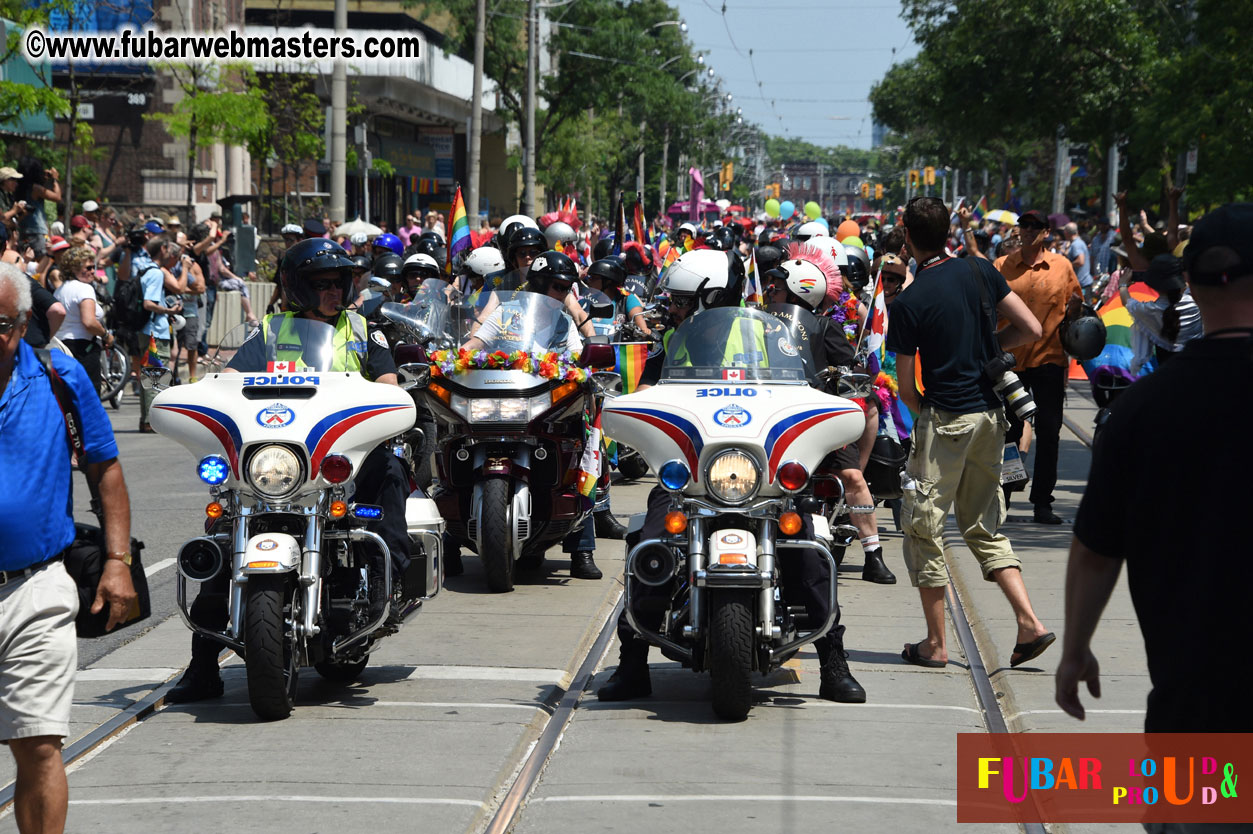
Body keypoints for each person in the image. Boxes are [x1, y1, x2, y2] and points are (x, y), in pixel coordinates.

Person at [597, 247, 866, 704]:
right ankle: (631, 662)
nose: (673, 308)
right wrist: (630, 408)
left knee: (809, 550)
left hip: (763, 478)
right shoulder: (678, 341)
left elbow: (805, 382)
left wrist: (827, 398)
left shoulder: (773, 335)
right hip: (696, 478)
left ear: (711, 296)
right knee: (651, 543)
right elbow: (648, 388)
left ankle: (833, 661)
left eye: (682, 300)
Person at [168, 238, 412, 704]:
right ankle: (202, 667)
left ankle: (389, 579)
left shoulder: (364, 331)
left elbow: (388, 385)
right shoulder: (268, 333)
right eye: (320, 285)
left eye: (337, 284)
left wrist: (386, 399)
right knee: (226, 532)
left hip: (342, 457)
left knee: (391, 465)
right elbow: (224, 384)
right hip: (279, 462)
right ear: (298, 287)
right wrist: (195, 394)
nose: (332, 294)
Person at [1056, 203, 1253, 735]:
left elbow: (1096, 553)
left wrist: (1075, 650)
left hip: (1195, 710)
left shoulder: (1138, 412)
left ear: (1191, 280)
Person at [886, 196, 1054, 669]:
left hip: (947, 420)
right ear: (947, 232)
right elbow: (1031, 327)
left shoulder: (910, 300)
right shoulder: (980, 271)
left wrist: (929, 417)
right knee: (983, 525)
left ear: (907, 233)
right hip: (990, 416)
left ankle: (935, 644)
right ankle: (1029, 622)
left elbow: (905, 388)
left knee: (923, 526)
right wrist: (987, 348)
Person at [0, 263, 137, 834]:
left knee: (39, 745)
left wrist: (118, 562)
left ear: (20, 325)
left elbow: (105, 469)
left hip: (33, 588)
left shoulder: (60, 374)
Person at [460, 250, 603, 580]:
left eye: (567, 287)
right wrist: (448, 360)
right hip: (500, 400)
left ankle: (583, 548)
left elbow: (579, 357)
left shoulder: (563, 322)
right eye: (558, 286)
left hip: (547, 403)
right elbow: (476, 344)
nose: (564, 293)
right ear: (538, 284)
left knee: (584, 450)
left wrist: (588, 365)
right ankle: (449, 543)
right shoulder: (508, 314)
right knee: (454, 436)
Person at [765, 242, 896, 583]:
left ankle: (873, 553)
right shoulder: (759, 323)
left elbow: (851, 367)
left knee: (852, 477)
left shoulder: (825, 327)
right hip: (770, 416)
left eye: (777, 287)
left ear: (797, 292)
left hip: (815, 416)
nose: (770, 291)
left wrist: (849, 375)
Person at [994, 209, 1084, 524]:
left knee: (1049, 432)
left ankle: (1042, 503)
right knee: (1008, 432)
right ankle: (1003, 497)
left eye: (1034, 227)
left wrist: (1076, 312)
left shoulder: (1062, 267)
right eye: (1024, 226)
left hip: (1049, 361)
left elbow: (1076, 315)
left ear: (1046, 232)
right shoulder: (1002, 266)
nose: (1028, 231)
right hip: (1010, 364)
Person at [137, 237, 186, 433]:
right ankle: (152, 421)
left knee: (148, 377)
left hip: (145, 329)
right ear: (163, 249)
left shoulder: (144, 269)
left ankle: (146, 419)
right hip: (154, 333)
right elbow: (148, 303)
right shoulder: (156, 274)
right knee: (156, 376)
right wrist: (170, 312)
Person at [54, 246, 110, 393]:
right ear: (73, 269)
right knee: (89, 399)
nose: (93, 271)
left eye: (94, 267)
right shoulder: (84, 289)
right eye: (88, 267)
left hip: (62, 348)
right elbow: (89, 322)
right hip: (83, 350)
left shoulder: (59, 290)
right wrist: (106, 335)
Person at [14, 158, 60, 258]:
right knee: (42, 262)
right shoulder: (35, 188)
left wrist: (46, 180)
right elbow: (57, 197)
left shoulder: (19, 187)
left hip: (24, 230)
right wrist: (55, 179)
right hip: (37, 231)